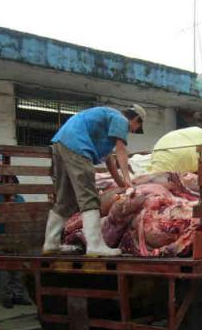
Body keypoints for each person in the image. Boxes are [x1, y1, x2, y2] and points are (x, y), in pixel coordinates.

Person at [42, 104, 146, 256]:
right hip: (77, 146)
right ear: (136, 119)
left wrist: (121, 183)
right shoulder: (121, 120)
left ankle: (51, 243)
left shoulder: (108, 121)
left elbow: (110, 160)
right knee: (89, 197)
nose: (133, 131)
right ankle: (95, 245)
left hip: (62, 143)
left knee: (65, 200)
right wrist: (129, 180)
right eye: (136, 127)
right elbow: (121, 150)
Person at [0, 176, 31, 308]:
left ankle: (18, 295)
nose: (9, 186)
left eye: (12, 183)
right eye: (6, 183)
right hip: (3, 240)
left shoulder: (20, 199)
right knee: (5, 270)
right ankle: (7, 297)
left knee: (19, 269)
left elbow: (26, 217)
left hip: (18, 239)